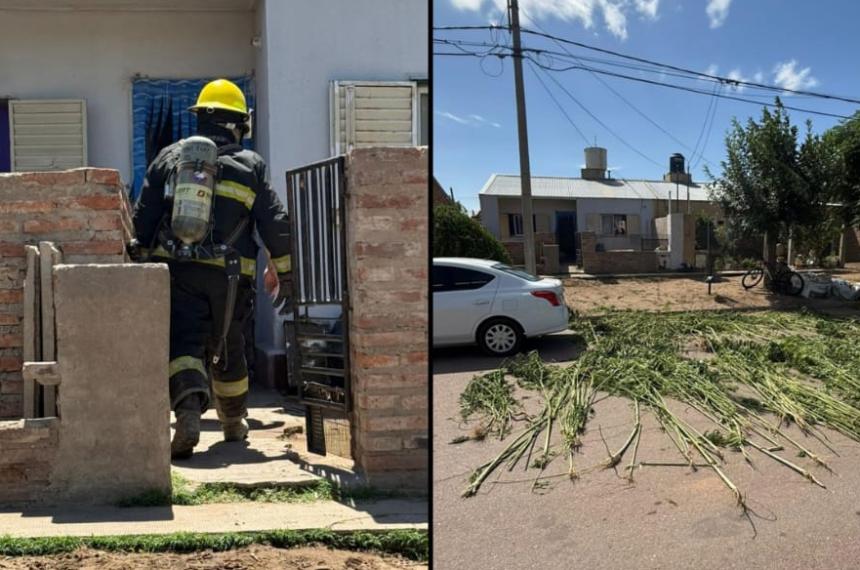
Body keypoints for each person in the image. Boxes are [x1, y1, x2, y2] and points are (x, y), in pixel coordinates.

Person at [132, 78, 292, 459]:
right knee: (227, 344)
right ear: (238, 124)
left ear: (200, 119)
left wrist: (139, 264)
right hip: (232, 277)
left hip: (177, 271)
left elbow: (142, 222)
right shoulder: (250, 164)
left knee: (184, 343)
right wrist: (285, 273)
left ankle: (187, 412)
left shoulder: (168, 159)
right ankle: (233, 423)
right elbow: (275, 222)